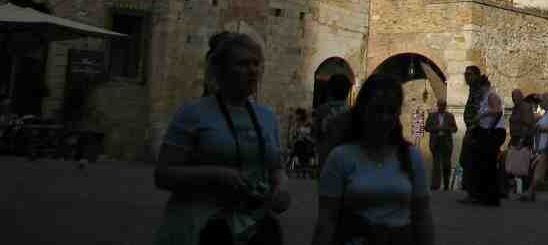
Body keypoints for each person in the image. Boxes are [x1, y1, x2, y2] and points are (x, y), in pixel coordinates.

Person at [153, 32, 289, 245]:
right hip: (199, 226)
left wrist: (280, 188)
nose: (252, 70)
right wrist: (215, 175)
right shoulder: (192, 114)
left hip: (254, 227)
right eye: (243, 64)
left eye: (256, 63)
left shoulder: (267, 117)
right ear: (221, 70)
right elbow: (162, 175)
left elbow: (275, 168)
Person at [312, 73, 435, 245]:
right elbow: (326, 220)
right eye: (378, 109)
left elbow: (423, 215)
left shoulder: (411, 156)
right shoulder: (341, 158)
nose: (384, 117)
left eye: (391, 111)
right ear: (362, 109)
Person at [466, 75, 505, 205]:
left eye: (479, 88)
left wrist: (484, 117)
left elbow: (498, 111)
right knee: (482, 163)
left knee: (488, 163)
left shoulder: (491, 95)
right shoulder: (485, 98)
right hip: (485, 131)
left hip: (493, 131)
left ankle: (490, 196)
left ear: (484, 87)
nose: (478, 91)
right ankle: (481, 194)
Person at [524, 92, 548, 203]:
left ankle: (530, 193)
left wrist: (542, 128)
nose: (540, 102)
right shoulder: (545, 114)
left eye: (542, 100)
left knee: (539, 171)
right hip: (546, 147)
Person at [314, 73, 354, 167]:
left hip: (326, 155)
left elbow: (317, 134)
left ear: (330, 90)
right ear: (348, 91)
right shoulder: (352, 112)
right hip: (345, 157)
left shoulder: (322, 110)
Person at [457, 66, 484, 199]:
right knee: (466, 160)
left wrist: (472, 128)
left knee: (469, 160)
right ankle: (472, 192)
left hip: (475, 130)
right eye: (465, 74)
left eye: (469, 74)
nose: (466, 77)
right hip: (472, 129)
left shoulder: (478, 90)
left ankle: (473, 193)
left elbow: (480, 111)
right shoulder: (474, 89)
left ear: (476, 76)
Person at [424, 98, 457, 191]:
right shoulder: (432, 116)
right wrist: (436, 128)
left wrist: (446, 128)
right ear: (438, 105)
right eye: (440, 105)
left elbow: (455, 129)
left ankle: (446, 184)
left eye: (443, 105)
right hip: (436, 142)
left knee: (446, 164)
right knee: (436, 164)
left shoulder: (450, 116)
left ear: (445, 106)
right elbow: (426, 127)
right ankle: (435, 185)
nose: (441, 107)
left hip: (446, 142)